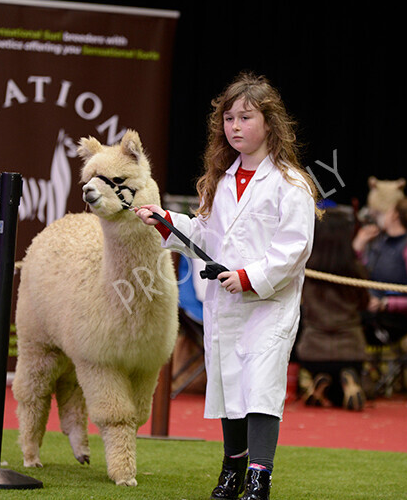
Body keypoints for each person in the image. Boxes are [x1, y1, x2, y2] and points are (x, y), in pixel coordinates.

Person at [135, 71, 319, 500]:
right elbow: (205, 234)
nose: (234, 126)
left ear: (270, 124)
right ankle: (232, 470)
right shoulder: (220, 180)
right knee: (229, 382)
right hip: (226, 301)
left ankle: (259, 477)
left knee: (260, 385)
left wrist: (248, 277)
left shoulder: (292, 184)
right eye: (229, 118)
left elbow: (294, 248)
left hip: (269, 304)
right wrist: (167, 221)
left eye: (246, 117)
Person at [295, 205, 370, 411]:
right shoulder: (356, 271)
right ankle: (346, 381)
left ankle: (320, 381)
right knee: (341, 396)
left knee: (326, 382)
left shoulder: (306, 271)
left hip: (313, 351)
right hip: (351, 350)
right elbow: (365, 304)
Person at [352, 197, 407, 346]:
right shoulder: (380, 242)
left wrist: (386, 303)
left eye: (388, 211)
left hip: (396, 319)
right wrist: (358, 245)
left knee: (344, 322)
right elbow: (362, 274)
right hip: (372, 311)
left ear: (395, 215)